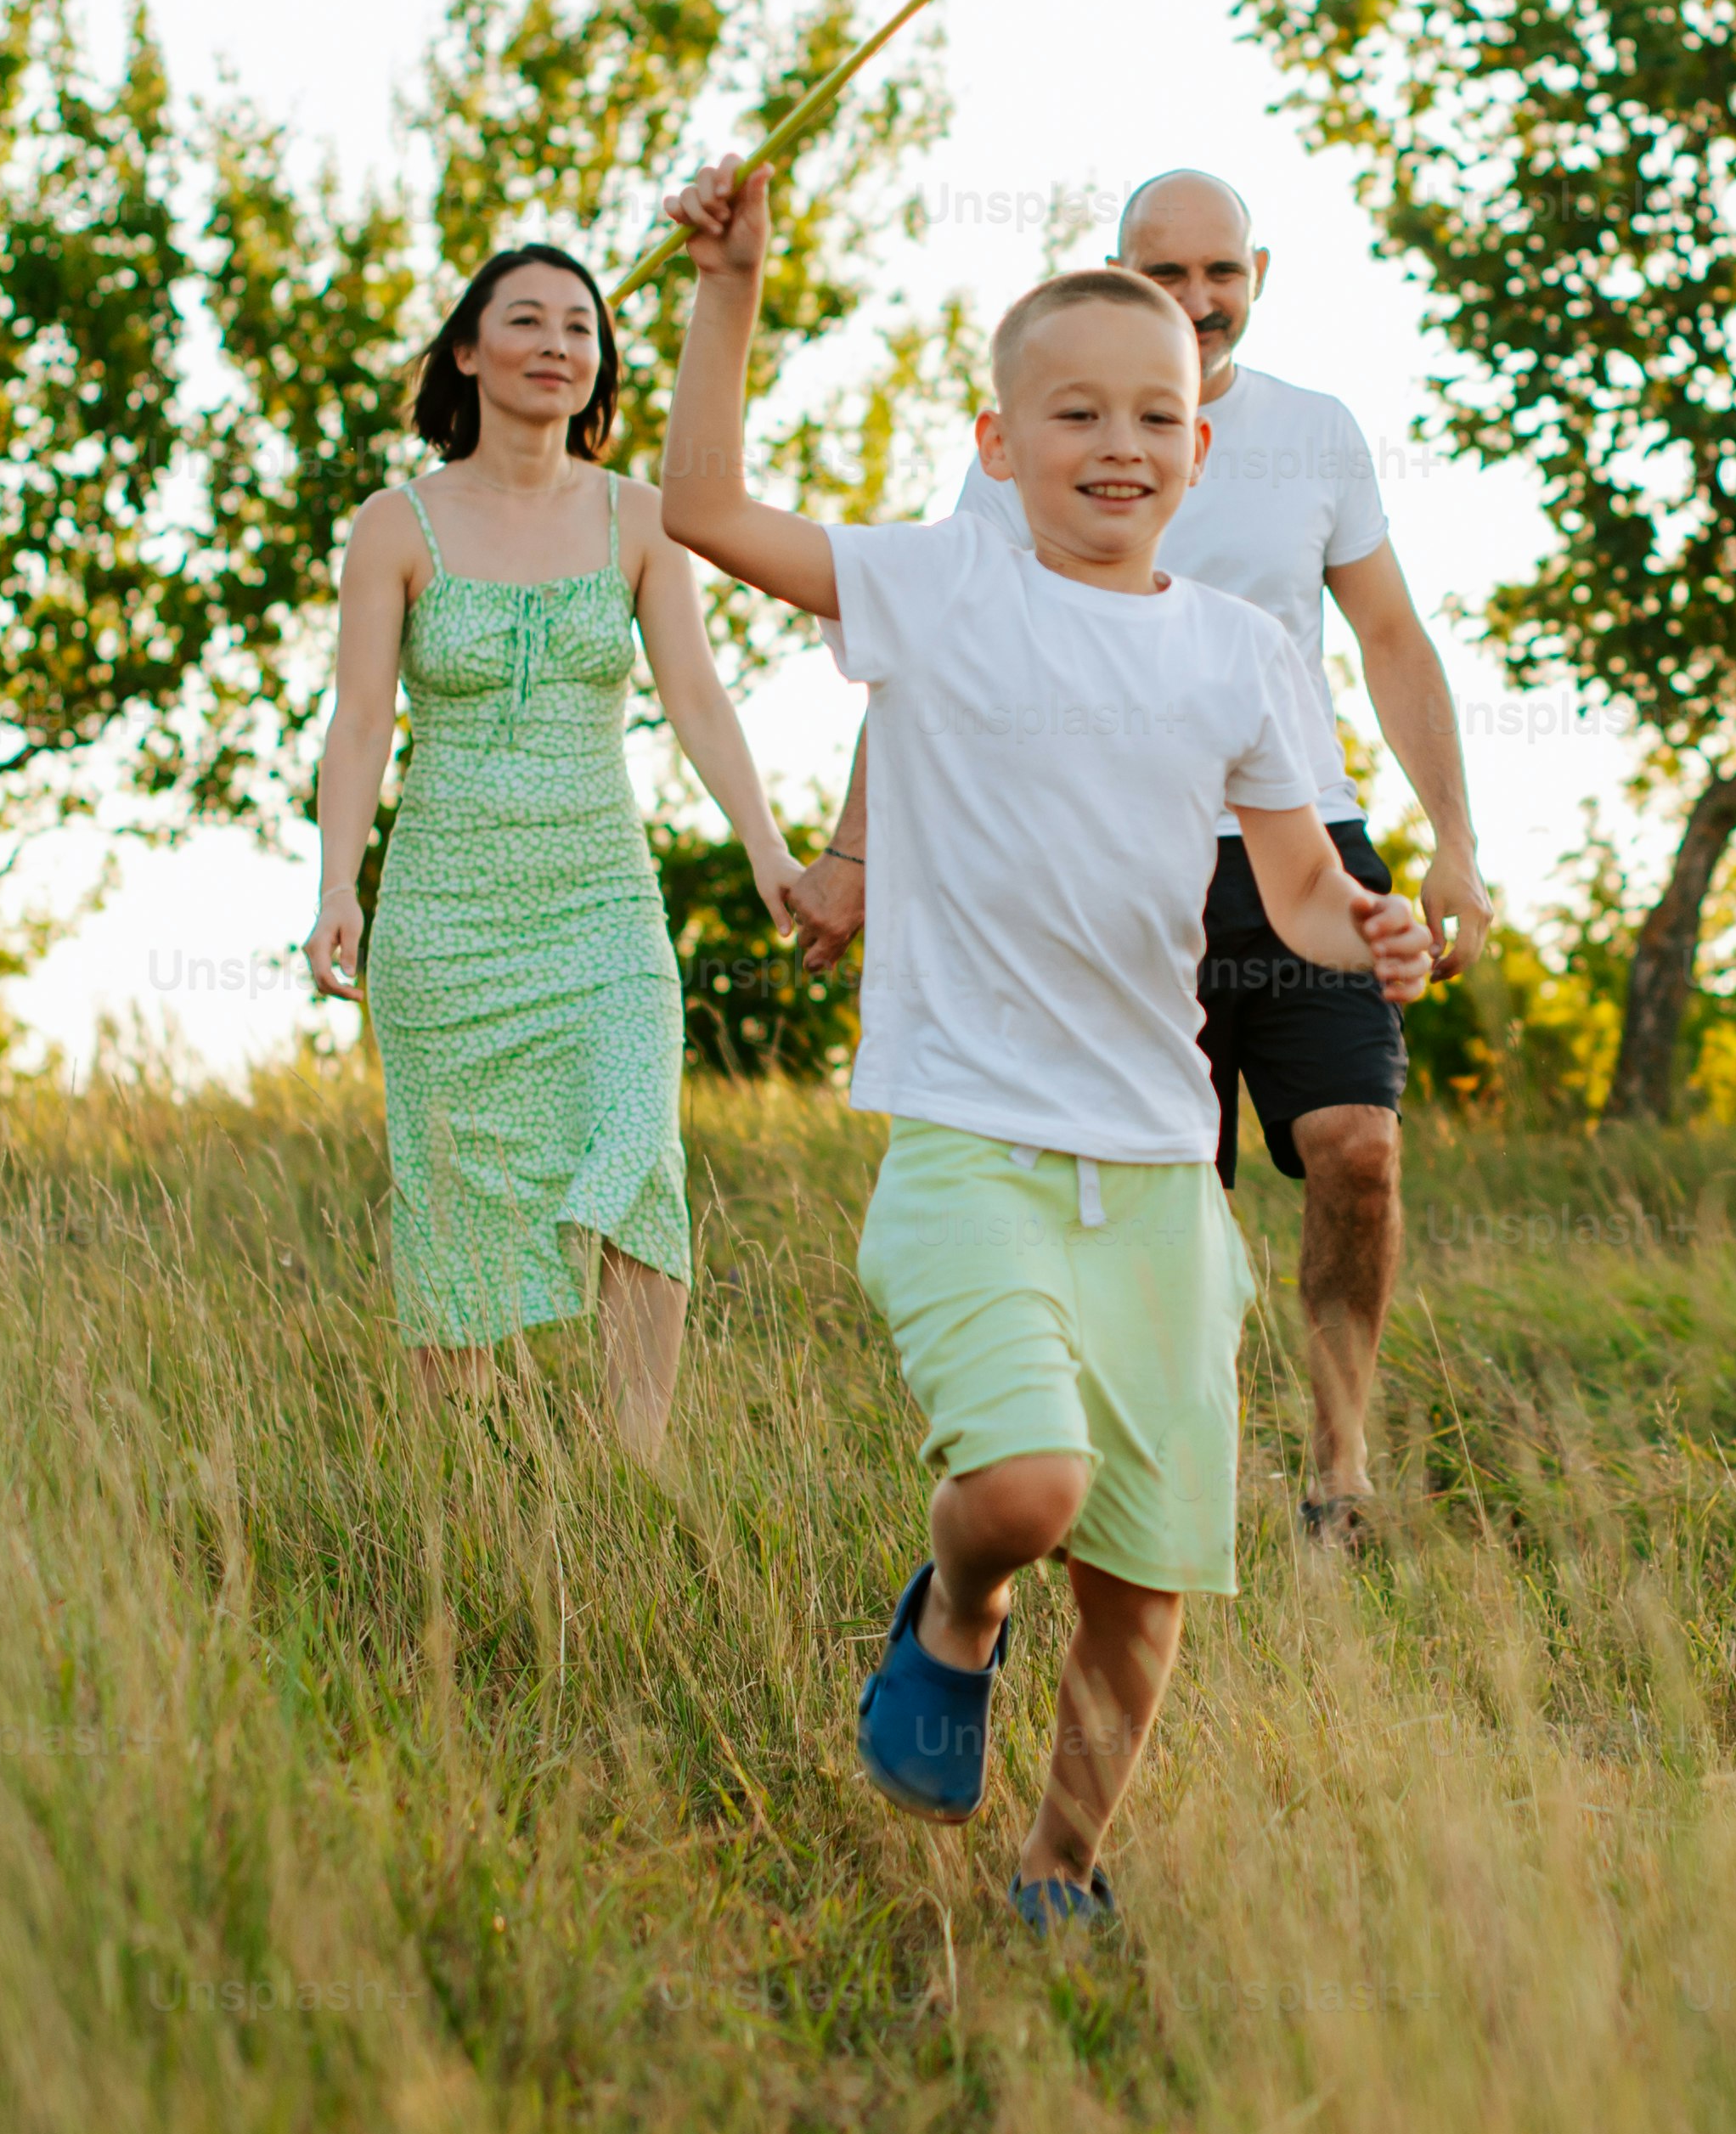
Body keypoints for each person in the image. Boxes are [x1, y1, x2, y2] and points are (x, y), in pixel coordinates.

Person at [652, 155, 1434, 1924]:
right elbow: (701, 505)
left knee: (1146, 1581)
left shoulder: (1242, 656)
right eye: (1072, 410)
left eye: (1155, 413)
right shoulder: (937, 589)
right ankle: (949, 1617)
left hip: (1159, 1174)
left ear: (1202, 449)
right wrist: (732, 288)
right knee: (1023, 1486)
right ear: (997, 445)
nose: (1118, 442)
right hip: (971, 1143)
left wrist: (1363, 931)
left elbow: (1296, 883)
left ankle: (1057, 1872)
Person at [790, 169, 1487, 1558]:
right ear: (1115, 279)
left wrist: (1453, 840)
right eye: (1164, 276)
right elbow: (923, 666)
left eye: (1220, 272)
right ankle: (1164, 1480)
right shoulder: (1049, 443)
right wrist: (853, 852)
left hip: (1298, 846)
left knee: (1357, 1147)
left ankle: (1339, 1471)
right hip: (1105, 856)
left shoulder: (1314, 435)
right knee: (1177, 1186)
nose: (1199, 300)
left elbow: (1392, 640)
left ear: (1260, 275)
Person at [305, 240, 803, 1460]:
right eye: (525, 322)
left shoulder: (639, 514)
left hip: (601, 910)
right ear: (467, 352)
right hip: (448, 917)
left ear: (601, 362)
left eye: (580, 327)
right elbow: (361, 719)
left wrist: (768, 851)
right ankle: (458, 1491)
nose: (556, 346)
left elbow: (696, 697)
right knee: (457, 1201)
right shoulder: (397, 522)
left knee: (643, 1157)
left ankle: (636, 1468)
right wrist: (337, 892)